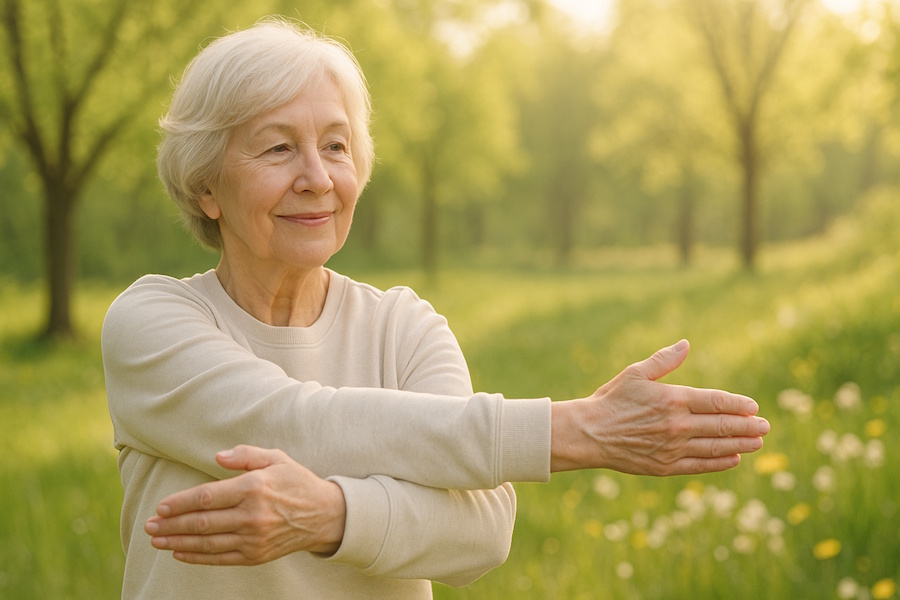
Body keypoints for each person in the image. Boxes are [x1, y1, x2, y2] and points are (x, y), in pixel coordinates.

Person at [101, 17, 769, 600]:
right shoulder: (152, 323)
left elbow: (480, 529)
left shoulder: (405, 328)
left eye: (336, 146)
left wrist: (329, 515)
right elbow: (294, 422)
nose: (318, 177)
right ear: (206, 187)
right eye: (278, 147)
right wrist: (576, 431)